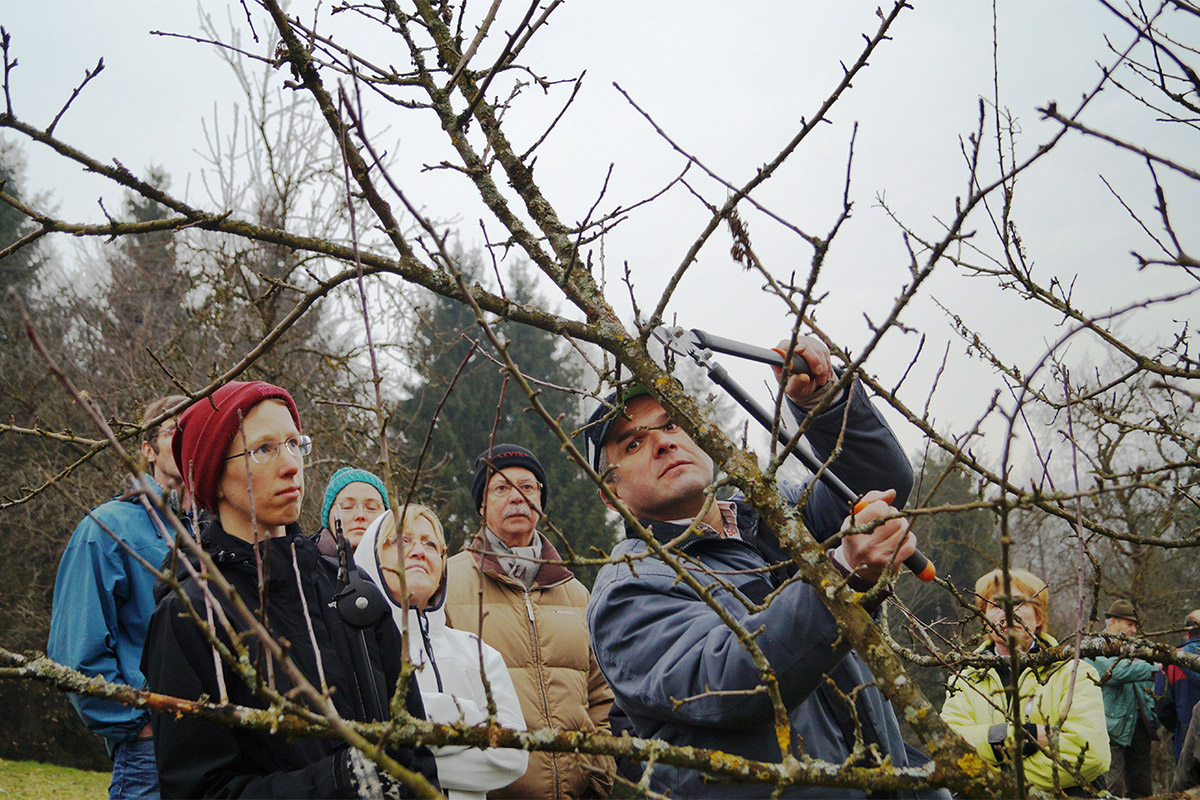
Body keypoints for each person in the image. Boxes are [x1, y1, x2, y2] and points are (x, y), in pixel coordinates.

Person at [584, 336, 936, 799]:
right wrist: (843, 574)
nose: (664, 443)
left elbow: (875, 487)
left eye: (671, 424)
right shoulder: (628, 589)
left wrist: (823, 401)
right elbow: (737, 679)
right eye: (634, 443)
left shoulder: (774, 513)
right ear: (613, 495)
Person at [142, 381, 438, 798]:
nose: (291, 465)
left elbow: (416, 747)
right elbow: (200, 791)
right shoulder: (193, 614)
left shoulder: (350, 589)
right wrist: (337, 781)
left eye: (294, 444)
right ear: (214, 475)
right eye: (263, 449)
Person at [442, 444, 615, 799]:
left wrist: (599, 776)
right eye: (501, 488)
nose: (517, 498)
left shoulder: (576, 593)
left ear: (541, 501)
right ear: (481, 505)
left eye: (528, 487)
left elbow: (601, 696)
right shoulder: (446, 584)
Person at [47, 394, 189, 800]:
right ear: (147, 449)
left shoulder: (219, 532)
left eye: (196, 430)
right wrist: (138, 724)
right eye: (175, 430)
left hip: (226, 750)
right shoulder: (105, 529)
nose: (186, 440)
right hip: (151, 754)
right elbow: (74, 653)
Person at [354, 503, 529, 799]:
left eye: (430, 544)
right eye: (402, 540)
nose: (419, 550)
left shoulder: (478, 652)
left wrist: (407, 750)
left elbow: (514, 756)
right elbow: (356, 748)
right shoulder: (357, 648)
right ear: (372, 557)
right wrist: (466, 714)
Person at [941, 568, 1110, 793]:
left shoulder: (1074, 672)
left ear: (1038, 617)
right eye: (996, 606)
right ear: (982, 619)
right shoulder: (964, 680)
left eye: (1019, 604)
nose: (1008, 613)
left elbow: (1091, 754)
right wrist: (1020, 737)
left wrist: (998, 781)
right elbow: (949, 749)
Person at [1088, 599, 1158, 797]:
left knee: (1142, 787)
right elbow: (1116, 673)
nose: (1134, 630)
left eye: (1135, 625)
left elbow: (1144, 685)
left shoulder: (1135, 649)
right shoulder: (1096, 646)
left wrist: (1152, 715)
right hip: (1111, 728)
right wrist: (1155, 668)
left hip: (1138, 727)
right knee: (1112, 785)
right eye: (1130, 624)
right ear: (1113, 622)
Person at [313, 466, 389, 556]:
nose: (360, 515)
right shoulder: (301, 564)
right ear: (328, 517)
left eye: (371, 507)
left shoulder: (404, 563)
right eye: (347, 506)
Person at [1155, 609, 1200, 761]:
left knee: (1187, 783)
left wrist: (1181, 727)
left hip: (1188, 742)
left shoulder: (1171, 662)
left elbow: (1162, 706)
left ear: (1187, 633)